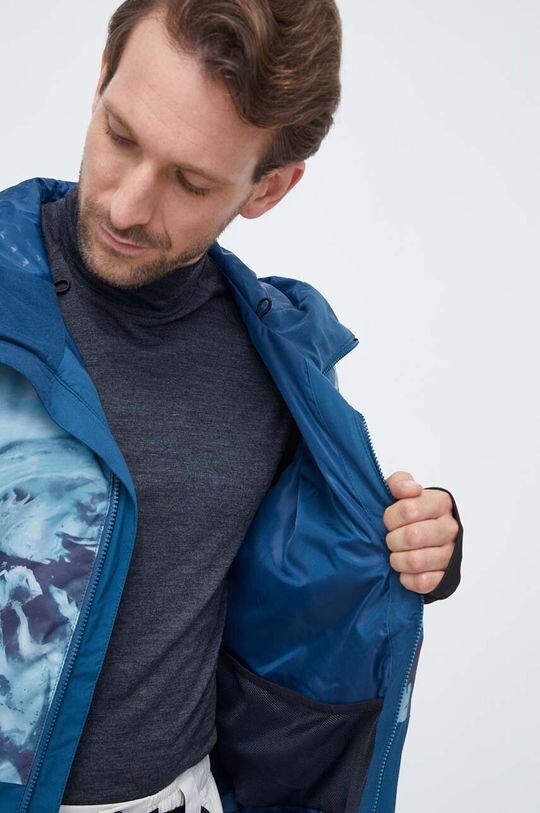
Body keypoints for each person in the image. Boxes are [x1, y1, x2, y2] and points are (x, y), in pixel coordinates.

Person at [0, 2, 463, 812]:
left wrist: (420, 545)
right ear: (102, 77)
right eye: (121, 136)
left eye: (190, 181)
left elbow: (312, 575)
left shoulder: (279, 361)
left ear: (269, 187)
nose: (128, 205)